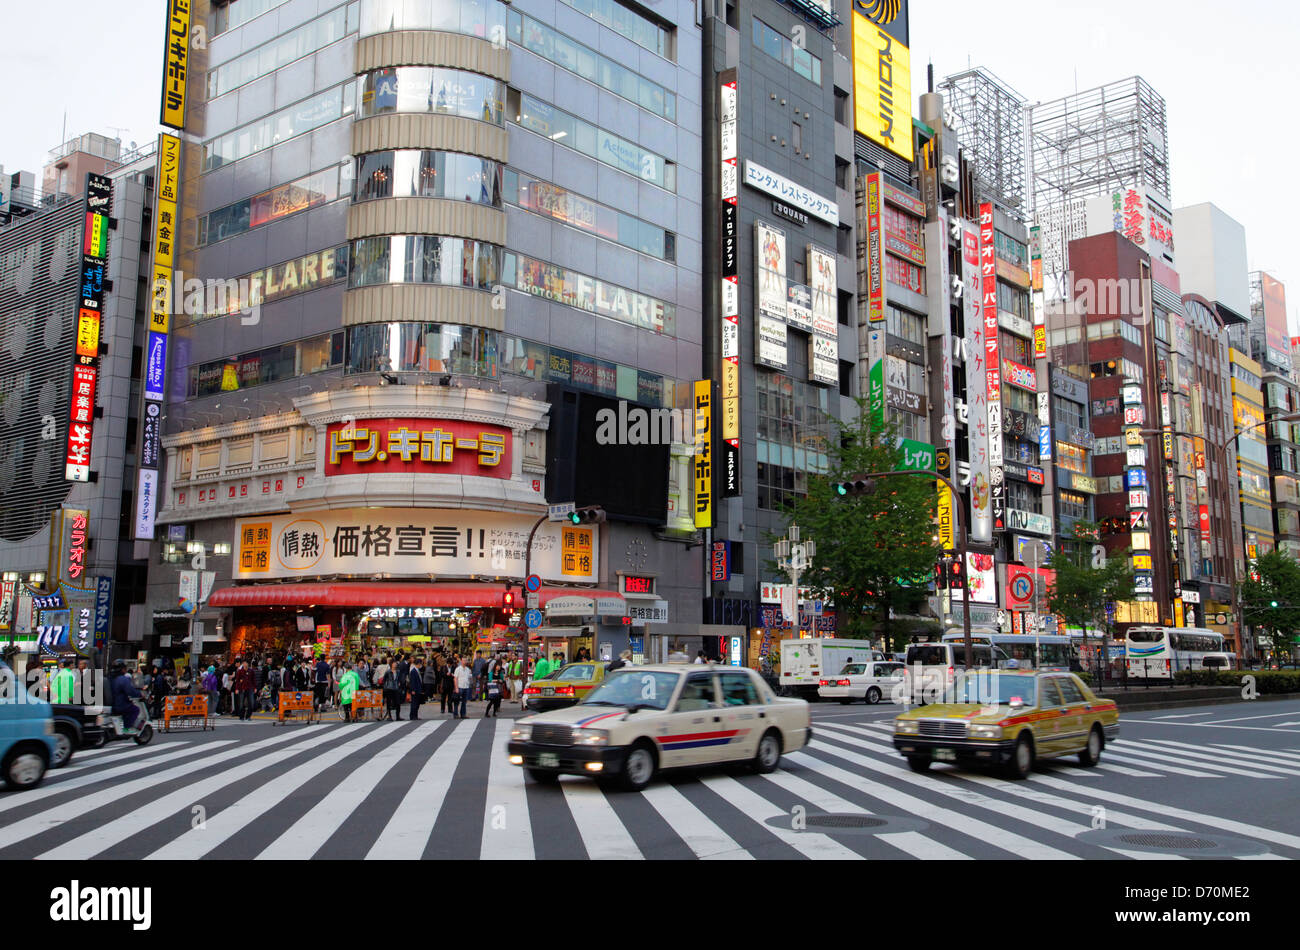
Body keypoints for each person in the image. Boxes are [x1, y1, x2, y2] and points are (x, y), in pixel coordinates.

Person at [110, 663, 142, 731]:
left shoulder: (110, 678)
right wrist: (140, 694)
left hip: (112, 704)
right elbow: (130, 691)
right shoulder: (122, 679)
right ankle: (127, 728)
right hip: (120, 704)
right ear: (123, 669)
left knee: (127, 710)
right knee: (135, 710)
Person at [383, 657, 404, 721]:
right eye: (394, 663)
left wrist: (400, 683)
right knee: (389, 703)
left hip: (396, 688)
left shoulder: (398, 671)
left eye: (396, 663)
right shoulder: (388, 672)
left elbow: (400, 679)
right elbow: (384, 680)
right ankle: (389, 716)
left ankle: (398, 716)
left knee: (398, 703)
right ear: (391, 664)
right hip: (389, 688)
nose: (395, 664)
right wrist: (385, 687)